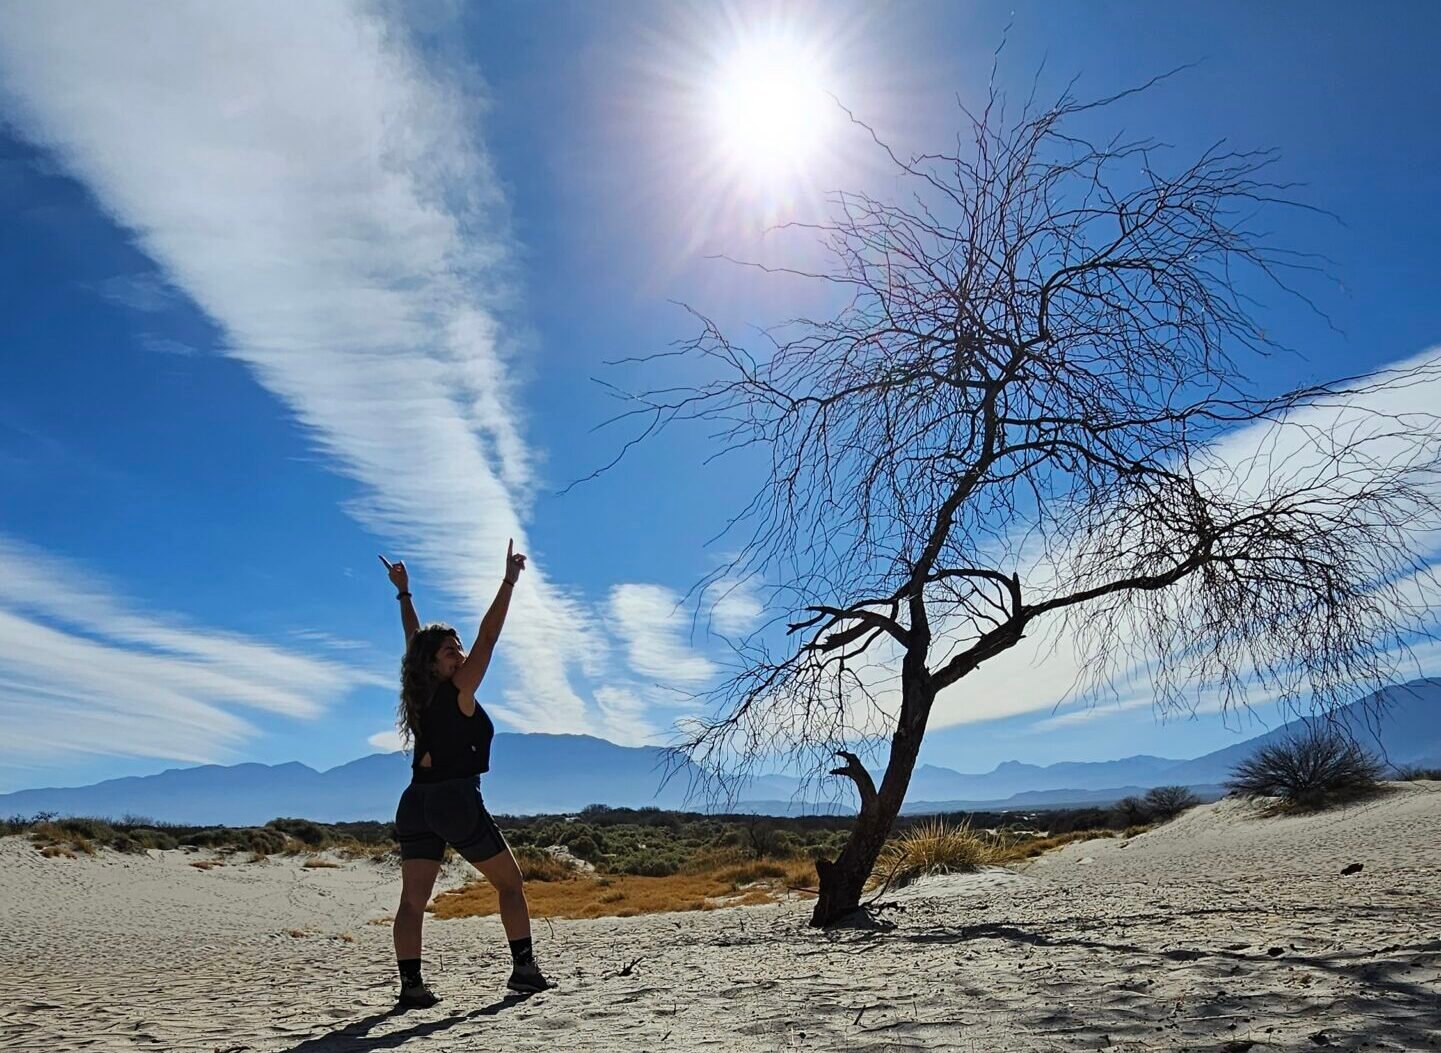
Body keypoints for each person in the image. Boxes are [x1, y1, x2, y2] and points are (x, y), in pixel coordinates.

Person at [380, 543, 550, 1008]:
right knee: (511, 883)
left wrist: (405, 594)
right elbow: (489, 637)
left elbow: (414, 640)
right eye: (452, 651)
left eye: (459, 650)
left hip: (415, 802)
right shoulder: (457, 689)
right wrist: (510, 581)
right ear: (434, 663)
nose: (461, 655)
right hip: (454, 798)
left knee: (413, 901)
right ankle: (524, 971)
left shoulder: (419, 694)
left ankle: (411, 987)